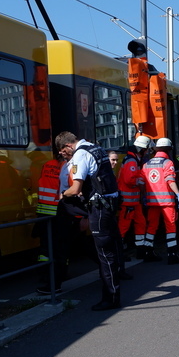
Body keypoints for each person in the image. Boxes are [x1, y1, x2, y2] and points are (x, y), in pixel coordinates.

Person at [57, 131, 123, 310]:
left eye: (64, 152)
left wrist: (64, 194)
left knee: (104, 253)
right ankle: (113, 290)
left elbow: (76, 187)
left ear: (68, 146)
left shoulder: (80, 154)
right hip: (109, 204)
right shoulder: (97, 148)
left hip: (99, 208)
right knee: (109, 249)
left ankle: (111, 298)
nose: (65, 156)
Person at [143, 138, 179, 264]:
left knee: (152, 226)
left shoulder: (147, 164)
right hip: (167, 202)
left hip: (152, 201)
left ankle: (147, 251)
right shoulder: (167, 163)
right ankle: (172, 254)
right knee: (170, 226)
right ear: (169, 149)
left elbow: (142, 182)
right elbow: (170, 181)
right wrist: (178, 194)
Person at [118, 136, 152, 258]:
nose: (147, 152)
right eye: (146, 149)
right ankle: (119, 253)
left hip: (133, 201)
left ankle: (140, 249)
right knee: (123, 226)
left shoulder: (133, 159)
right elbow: (129, 180)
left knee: (141, 223)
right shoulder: (132, 161)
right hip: (128, 202)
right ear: (142, 149)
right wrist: (141, 181)